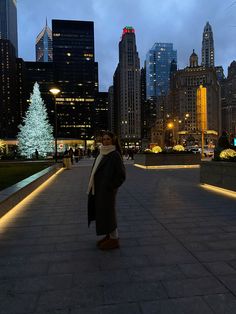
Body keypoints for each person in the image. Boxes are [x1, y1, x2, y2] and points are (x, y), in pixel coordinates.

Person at [87, 131, 126, 250]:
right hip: (99, 190)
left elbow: (121, 175)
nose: (106, 141)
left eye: (108, 139)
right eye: (104, 139)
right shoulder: (101, 153)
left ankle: (114, 239)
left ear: (113, 141)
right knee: (103, 213)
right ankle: (109, 236)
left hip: (107, 190)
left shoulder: (114, 154)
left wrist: (111, 186)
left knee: (109, 214)